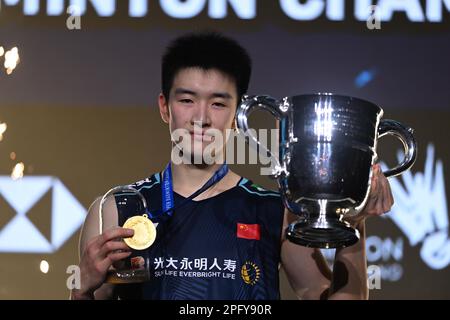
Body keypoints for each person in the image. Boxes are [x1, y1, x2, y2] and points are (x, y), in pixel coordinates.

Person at [71, 32, 394, 300]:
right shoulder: (117, 209)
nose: (201, 118)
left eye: (218, 103)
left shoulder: (275, 211)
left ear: (238, 113)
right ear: (164, 108)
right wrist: (82, 288)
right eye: (186, 100)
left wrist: (356, 225)